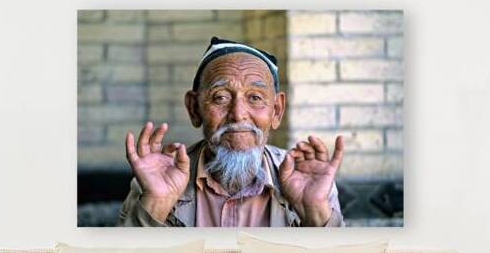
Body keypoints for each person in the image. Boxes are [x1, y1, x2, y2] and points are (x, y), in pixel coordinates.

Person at [118, 36, 344, 227]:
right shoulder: (157, 180)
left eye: (255, 98)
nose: (238, 114)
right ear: (194, 109)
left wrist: (314, 212)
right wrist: (156, 203)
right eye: (221, 97)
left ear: (276, 111)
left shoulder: (308, 180)